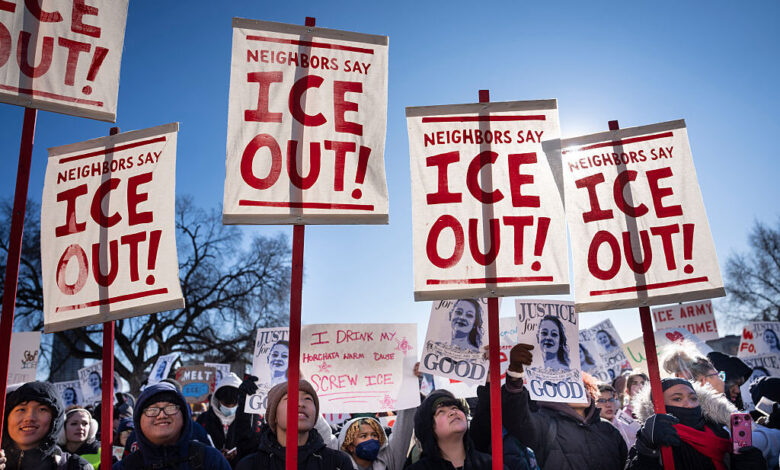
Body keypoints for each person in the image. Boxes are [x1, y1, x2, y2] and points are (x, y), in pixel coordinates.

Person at [471, 343, 627, 470]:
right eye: (571, 385)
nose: (581, 391)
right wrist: (515, 375)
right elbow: (517, 416)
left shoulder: (609, 429)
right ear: (555, 392)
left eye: (583, 386)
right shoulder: (546, 425)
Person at [626, 377, 767, 470]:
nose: (689, 404)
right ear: (658, 407)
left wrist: (750, 463)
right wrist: (647, 449)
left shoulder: (720, 433)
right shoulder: (651, 438)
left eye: (693, 398)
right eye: (677, 399)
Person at [235, 380, 352, 470]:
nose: (300, 404)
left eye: (307, 399)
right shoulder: (251, 465)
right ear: (274, 416)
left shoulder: (338, 463)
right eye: (290, 398)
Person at [113, 381, 230, 469]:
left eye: (170, 408)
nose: (161, 415)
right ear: (139, 420)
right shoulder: (125, 467)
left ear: (184, 416)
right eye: (152, 410)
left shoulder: (210, 460)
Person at [0, 381, 92, 469]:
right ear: (6, 417)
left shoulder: (77, 466)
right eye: (21, 409)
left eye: (42, 409)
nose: (29, 417)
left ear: (55, 419)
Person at [407, 389, 492, 470]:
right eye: (441, 411)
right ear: (429, 426)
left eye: (455, 407)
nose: (453, 412)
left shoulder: (490, 464)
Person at [337, 407, 414, 470]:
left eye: (374, 435)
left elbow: (404, 424)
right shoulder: (337, 464)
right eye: (363, 436)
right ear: (350, 446)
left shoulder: (389, 461)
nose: (371, 439)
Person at [197, 373, 243, 468]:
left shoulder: (246, 421)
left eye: (233, 404)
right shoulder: (204, 419)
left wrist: (237, 453)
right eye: (226, 404)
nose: (229, 408)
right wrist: (215, 454)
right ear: (217, 400)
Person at [595, 383, 634, 448]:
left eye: (611, 399)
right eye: (601, 401)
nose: (608, 405)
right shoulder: (589, 429)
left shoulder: (628, 427)